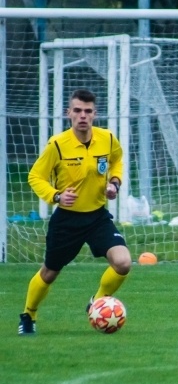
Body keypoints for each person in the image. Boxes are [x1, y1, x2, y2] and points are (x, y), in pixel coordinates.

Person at [20, 89, 132, 335]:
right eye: (78, 110)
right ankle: (29, 314)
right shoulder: (57, 145)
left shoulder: (108, 139)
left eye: (88, 111)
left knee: (123, 263)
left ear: (95, 114)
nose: (83, 116)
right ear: (68, 113)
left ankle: (97, 302)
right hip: (67, 220)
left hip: (97, 216)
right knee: (49, 272)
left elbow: (117, 160)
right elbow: (35, 176)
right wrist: (57, 196)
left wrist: (114, 183)